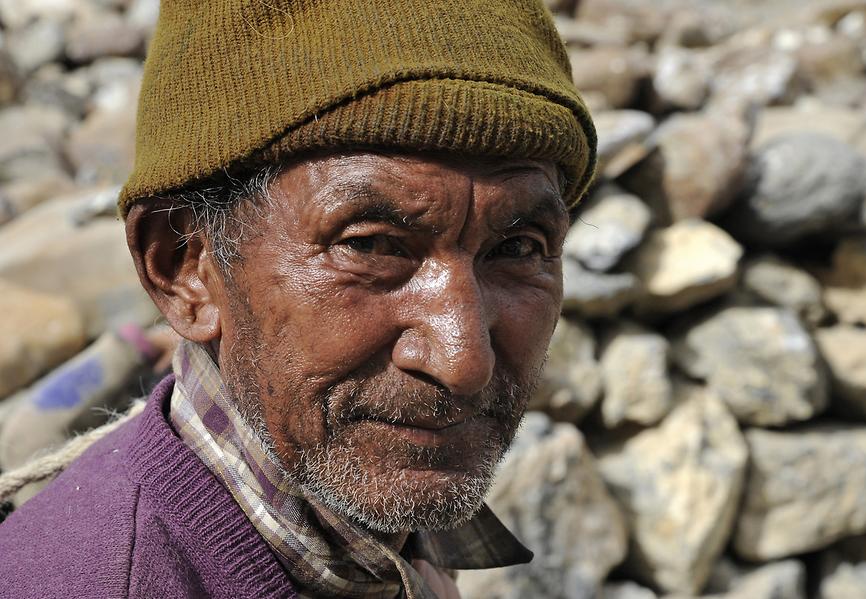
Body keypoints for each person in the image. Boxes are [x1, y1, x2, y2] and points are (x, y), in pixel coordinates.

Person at [0, 1, 596, 597]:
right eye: (370, 246)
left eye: (518, 248)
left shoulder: (371, 539)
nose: (464, 362)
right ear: (185, 267)